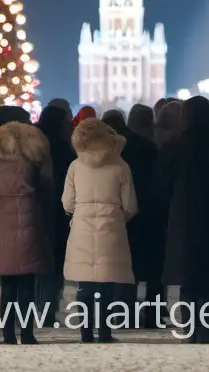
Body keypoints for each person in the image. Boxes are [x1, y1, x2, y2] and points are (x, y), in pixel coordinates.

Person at [157, 95, 209, 343]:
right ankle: (204, 329)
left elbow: (162, 188)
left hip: (182, 218)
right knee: (208, 278)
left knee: (187, 278)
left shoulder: (171, 146)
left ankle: (189, 329)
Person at [63, 117, 137, 342]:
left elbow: (67, 202)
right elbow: (131, 205)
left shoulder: (75, 166)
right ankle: (105, 332)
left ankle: (85, 332)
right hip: (111, 226)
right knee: (106, 285)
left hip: (82, 227)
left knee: (85, 285)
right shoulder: (120, 165)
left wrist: (79, 212)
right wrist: (116, 217)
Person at [0, 114, 55, 345]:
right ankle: (27, 332)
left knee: (7, 284)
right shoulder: (34, 159)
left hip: (1, 217)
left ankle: (7, 333)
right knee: (27, 281)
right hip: (29, 215)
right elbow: (47, 186)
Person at [101, 108, 162, 326]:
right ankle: (153, 315)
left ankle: (123, 314)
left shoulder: (102, 149)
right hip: (146, 210)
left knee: (119, 264)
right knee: (149, 266)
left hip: (113, 210)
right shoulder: (146, 146)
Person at [35, 105, 75, 326]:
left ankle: (35, 308)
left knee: (38, 261)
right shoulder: (63, 148)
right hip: (58, 212)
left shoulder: (35, 145)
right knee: (54, 262)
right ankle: (48, 310)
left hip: (38, 209)